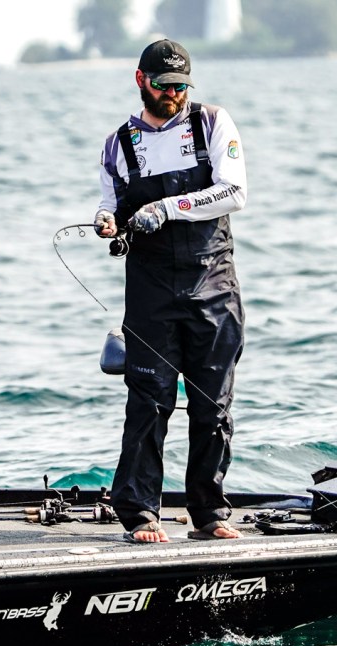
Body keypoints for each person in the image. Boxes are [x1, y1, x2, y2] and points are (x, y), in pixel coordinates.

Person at [93, 39, 246, 543]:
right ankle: (140, 513)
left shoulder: (213, 123)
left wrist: (167, 208)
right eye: (164, 86)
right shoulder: (118, 144)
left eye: (182, 87)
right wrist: (107, 219)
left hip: (213, 284)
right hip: (150, 290)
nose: (174, 95)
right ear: (141, 81)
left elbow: (234, 193)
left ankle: (210, 513)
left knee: (212, 405)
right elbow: (110, 203)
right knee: (149, 402)